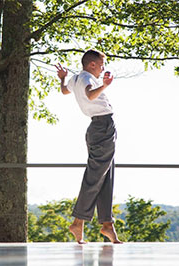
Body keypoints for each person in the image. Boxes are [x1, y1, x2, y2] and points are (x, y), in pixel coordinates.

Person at [56, 49, 122, 244]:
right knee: (95, 176)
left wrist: (62, 78)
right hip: (102, 127)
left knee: (105, 175)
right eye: (101, 65)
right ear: (92, 64)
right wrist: (104, 85)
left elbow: (64, 90)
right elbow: (90, 95)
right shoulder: (87, 79)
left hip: (98, 127)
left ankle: (107, 224)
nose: (103, 69)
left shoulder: (75, 78)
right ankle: (78, 221)